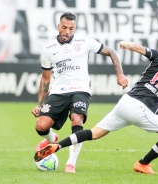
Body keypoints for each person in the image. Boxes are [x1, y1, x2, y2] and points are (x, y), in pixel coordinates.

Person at [34, 39, 158, 174]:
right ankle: (143, 164)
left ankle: (57, 145)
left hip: (125, 102)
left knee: (94, 133)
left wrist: (127, 45)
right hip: (142, 110)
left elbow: (140, 48)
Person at [31, 12, 128, 173]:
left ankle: (71, 163)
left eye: (71, 28)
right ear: (58, 26)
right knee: (41, 126)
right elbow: (45, 78)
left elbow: (111, 51)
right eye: (64, 27)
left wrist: (120, 73)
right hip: (58, 91)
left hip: (80, 89)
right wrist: (39, 104)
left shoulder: (85, 42)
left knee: (77, 120)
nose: (67, 31)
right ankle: (51, 139)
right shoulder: (48, 49)